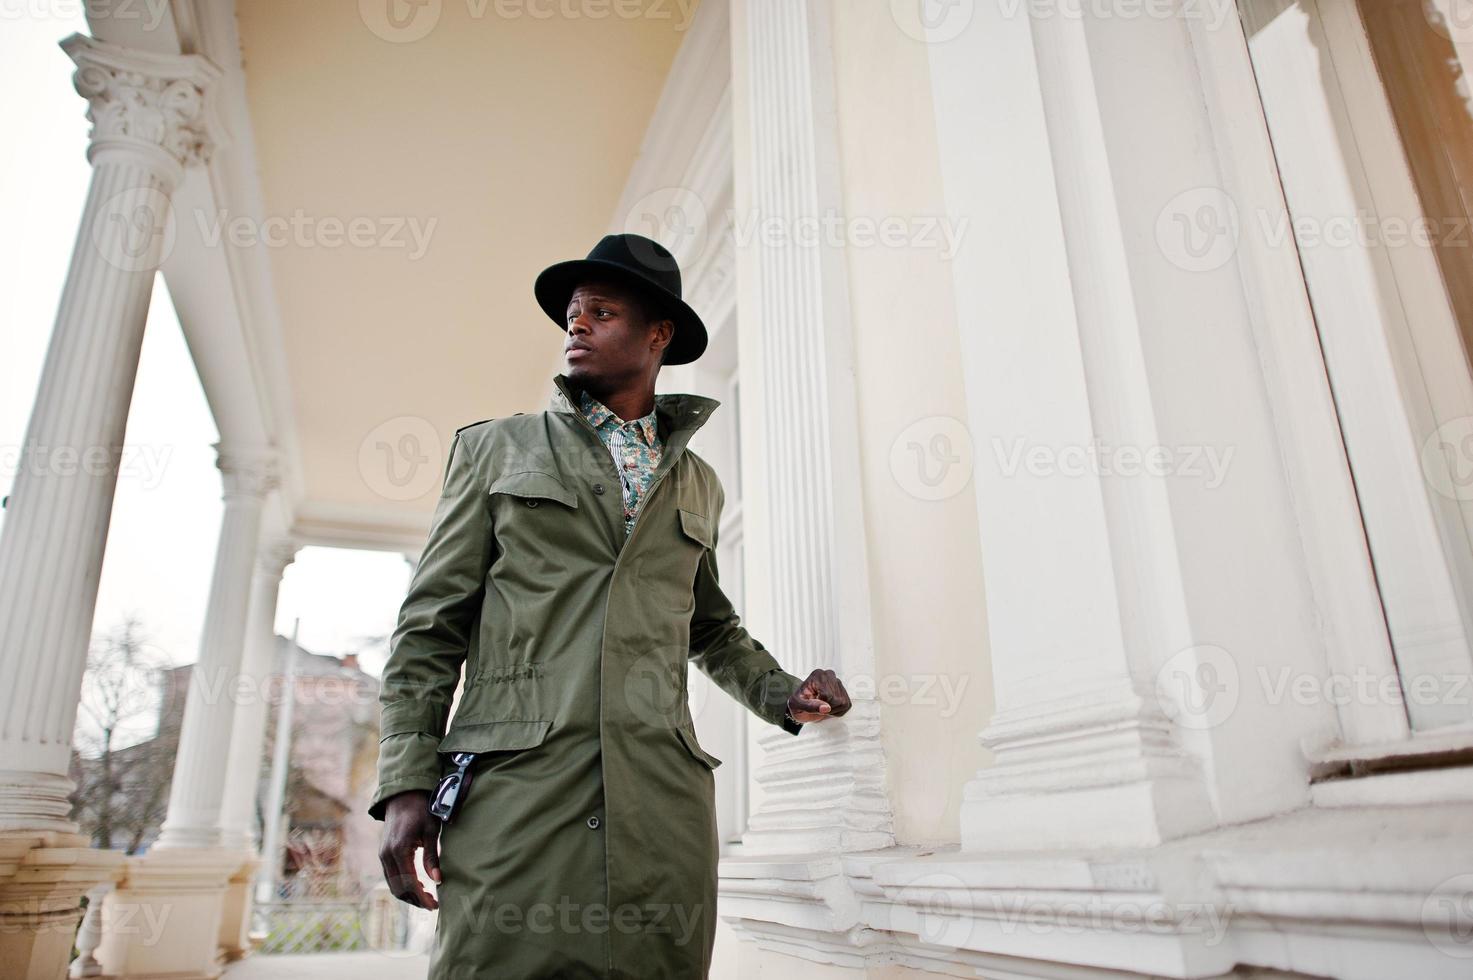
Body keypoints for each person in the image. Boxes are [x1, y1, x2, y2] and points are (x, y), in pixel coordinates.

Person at [371, 232, 852, 978]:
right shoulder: (495, 450)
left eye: (602, 311)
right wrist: (406, 779)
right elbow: (430, 626)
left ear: (657, 334)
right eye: (572, 314)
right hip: (517, 798)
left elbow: (710, 627)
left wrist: (783, 693)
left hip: (661, 810)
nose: (577, 325)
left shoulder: (697, 483)